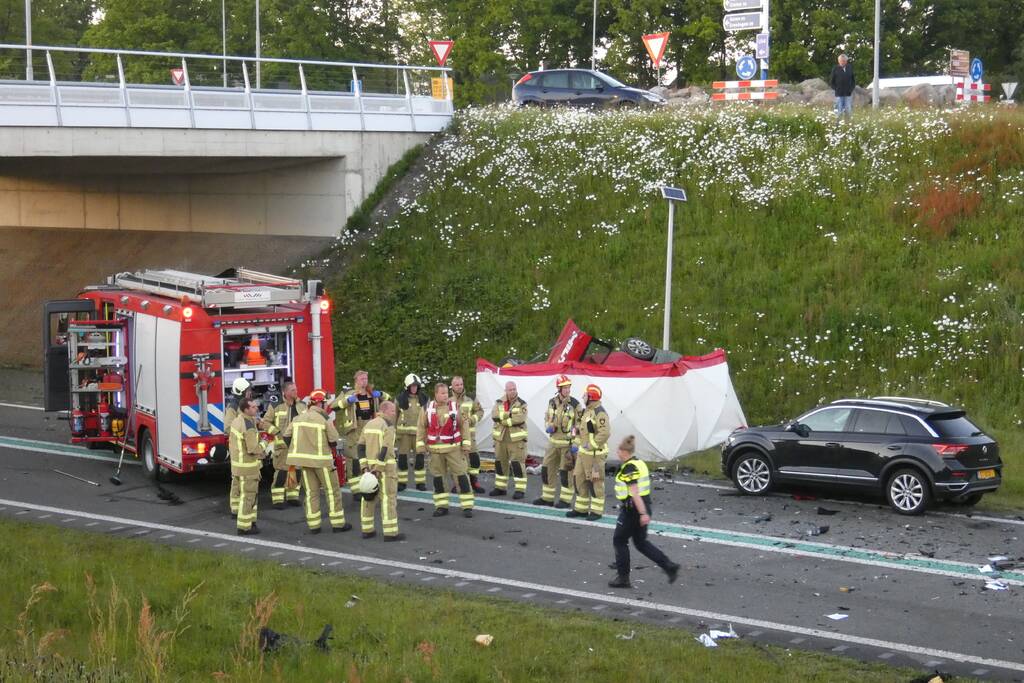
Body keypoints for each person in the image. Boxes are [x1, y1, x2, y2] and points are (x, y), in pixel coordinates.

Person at [608, 435, 680, 588]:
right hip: (643, 505)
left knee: (619, 540)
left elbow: (635, 492)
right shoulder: (640, 463)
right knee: (640, 542)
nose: (617, 453)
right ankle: (668, 565)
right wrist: (644, 511)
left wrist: (642, 513)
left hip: (633, 509)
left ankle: (623, 578)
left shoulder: (629, 468)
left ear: (624, 451)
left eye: (618, 451)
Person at [284, 389, 351, 534]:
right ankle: (338, 524)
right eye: (325, 403)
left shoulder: (298, 418)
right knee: (332, 491)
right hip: (322, 462)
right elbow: (333, 440)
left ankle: (314, 526)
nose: (326, 406)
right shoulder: (324, 419)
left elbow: (286, 436)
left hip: (304, 462)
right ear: (320, 403)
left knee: (311, 493)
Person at [417, 382, 474, 518]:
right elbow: (421, 427)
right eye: (442, 393)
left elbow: (464, 425)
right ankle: (441, 506)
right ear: (436, 394)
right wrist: (420, 445)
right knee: (438, 479)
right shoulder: (426, 408)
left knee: (461, 477)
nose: (445, 396)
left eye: (446, 393)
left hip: (454, 449)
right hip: (435, 451)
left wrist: (466, 444)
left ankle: (467, 506)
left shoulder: (455, 407)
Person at [328, 370, 392, 487]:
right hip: (355, 427)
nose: (364, 381)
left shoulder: (371, 393)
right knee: (355, 456)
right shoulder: (349, 393)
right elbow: (333, 405)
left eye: (366, 379)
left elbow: (388, 398)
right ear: (356, 381)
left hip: (370, 425)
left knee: (372, 453)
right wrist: (348, 401)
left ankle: (371, 482)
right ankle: (356, 486)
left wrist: (380, 394)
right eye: (362, 379)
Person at [357, 400, 403, 541]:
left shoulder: (369, 424)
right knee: (388, 499)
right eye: (392, 411)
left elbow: (360, 446)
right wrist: (379, 467)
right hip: (385, 469)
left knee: (368, 498)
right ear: (385, 410)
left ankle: (367, 530)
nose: (394, 414)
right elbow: (386, 448)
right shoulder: (388, 426)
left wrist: (364, 466)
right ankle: (390, 533)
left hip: (369, 468)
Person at [534, 374, 581, 508]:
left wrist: (575, 442)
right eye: (564, 387)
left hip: (567, 445)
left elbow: (578, 425)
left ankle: (565, 500)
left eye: (568, 387)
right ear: (559, 389)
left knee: (566, 473)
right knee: (546, 469)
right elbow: (547, 418)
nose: (567, 390)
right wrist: (548, 426)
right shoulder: (552, 402)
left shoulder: (575, 404)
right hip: (553, 443)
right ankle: (547, 498)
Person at [566, 383, 609, 521]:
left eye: (585, 395)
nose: (583, 397)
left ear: (590, 397)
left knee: (595, 482)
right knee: (579, 479)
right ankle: (581, 509)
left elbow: (605, 433)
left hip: (595, 457)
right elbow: (581, 429)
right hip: (583, 455)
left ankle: (596, 511)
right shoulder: (587, 411)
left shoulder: (599, 412)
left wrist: (592, 445)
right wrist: (576, 440)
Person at [263, 380, 306, 508]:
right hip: (282, 446)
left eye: (296, 389)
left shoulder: (302, 405)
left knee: (296, 472)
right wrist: (276, 432)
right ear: (285, 392)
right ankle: (278, 500)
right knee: (281, 473)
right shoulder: (276, 405)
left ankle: (292, 496)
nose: (296, 392)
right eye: (293, 390)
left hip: (298, 445)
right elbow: (265, 422)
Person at [228, 398, 263, 536]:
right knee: (249, 497)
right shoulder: (248, 426)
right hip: (248, 468)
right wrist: (265, 444)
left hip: (237, 466)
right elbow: (252, 448)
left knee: (241, 495)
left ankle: (249, 521)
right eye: (253, 407)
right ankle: (244, 527)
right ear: (246, 409)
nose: (256, 408)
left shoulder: (237, 420)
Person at [489, 381, 528, 499]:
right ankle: (500, 488)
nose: (512, 391)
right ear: (505, 390)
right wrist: (509, 415)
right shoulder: (499, 402)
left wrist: (503, 419)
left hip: (516, 440)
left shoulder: (522, 403)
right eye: (510, 389)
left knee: (517, 464)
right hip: (501, 438)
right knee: (500, 463)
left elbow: (519, 419)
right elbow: (494, 415)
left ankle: (520, 490)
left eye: (514, 389)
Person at [226, 377, 256, 517]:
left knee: (241, 481)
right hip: (238, 450)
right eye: (248, 390)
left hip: (244, 449)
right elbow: (229, 427)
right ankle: (235, 508)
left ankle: (238, 508)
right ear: (241, 392)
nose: (250, 393)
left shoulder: (244, 406)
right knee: (237, 480)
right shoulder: (233, 407)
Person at [450, 375, 486, 494]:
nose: (459, 387)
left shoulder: (470, 399)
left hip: (470, 436)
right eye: (457, 385)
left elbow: (480, 411)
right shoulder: (448, 401)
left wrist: (472, 419)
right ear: (452, 386)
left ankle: (474, 482)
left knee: (474, 459)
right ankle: (459, 483)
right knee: (457, 461)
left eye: (461, 384)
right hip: (454, 436)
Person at [396, 373, 428, 491]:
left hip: (419, 435)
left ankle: (420, 483)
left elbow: (428, 416)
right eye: (412, 386)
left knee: (420, 460)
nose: (414, 388)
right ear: (407, 386)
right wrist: (394, 433)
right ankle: (401, 483)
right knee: (403, 460)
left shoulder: (424, 399)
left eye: (416, 386)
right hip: (403, 435)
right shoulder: (400, 399)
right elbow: (395, 416)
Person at [829, 53, 855, 121]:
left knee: (848, 110)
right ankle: (838, 123)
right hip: (839, 94)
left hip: (848, 93)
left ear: (846, 61)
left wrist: (851, 89)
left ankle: (848, 123)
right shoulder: (835, 69)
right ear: (838, 61)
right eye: (841, 61)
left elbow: (853, 80)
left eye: (844, 61)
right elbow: (831, 82)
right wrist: (836, 89)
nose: (842, 62)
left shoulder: (849, 68)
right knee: (839, 110)